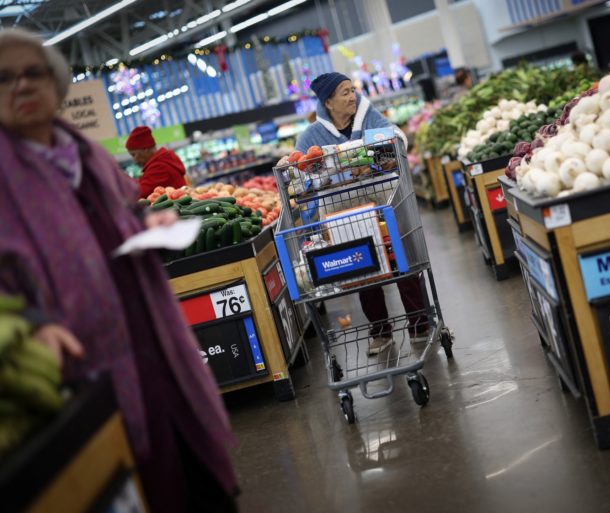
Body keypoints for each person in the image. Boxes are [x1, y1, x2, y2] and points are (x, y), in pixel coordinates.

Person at [0, 29, 238, 513]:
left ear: (56, 83)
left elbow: (122, 218)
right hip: (79, 375)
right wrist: (36, 327)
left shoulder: (88, 158)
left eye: (32, 72)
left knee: (196, 474)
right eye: (2, 78)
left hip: (155, 344)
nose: (20, 86)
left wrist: (150, 223)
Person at [285, 72, 429, 356]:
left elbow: (395, 142)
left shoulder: (369, 116)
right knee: (363, 267)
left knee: (399, 256)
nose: (352, 96)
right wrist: (300, 168)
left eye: (352, 90)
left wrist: (371, 163)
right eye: (344, 92)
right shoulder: (311, 136)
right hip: (343, 211)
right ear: (328, 102)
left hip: (383, 201)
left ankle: (420, 322)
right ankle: (380, 330)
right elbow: (299, 178)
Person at [126, 125, 189, 198]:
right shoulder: (163, 160)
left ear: (145, 149)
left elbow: (138, 193)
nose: (135, 159)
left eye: (134, 155)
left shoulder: (159, 167)